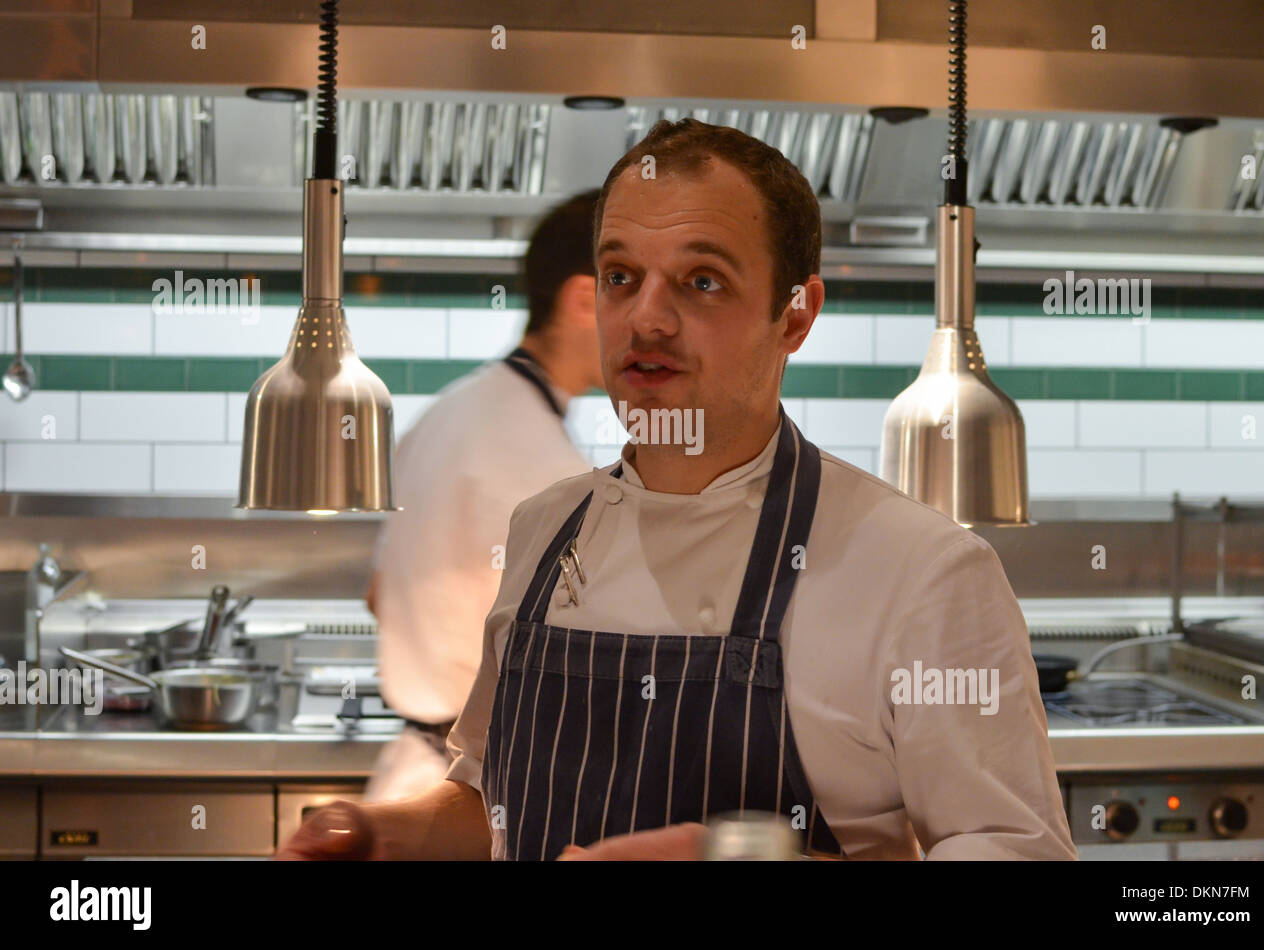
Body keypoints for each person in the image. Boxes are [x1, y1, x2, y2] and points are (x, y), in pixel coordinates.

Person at [283, 120, 1077, 859]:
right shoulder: (543, 528)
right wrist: (378, 833)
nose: (647, 319)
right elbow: (489, 802)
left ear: (795, 317)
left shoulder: (924, 573)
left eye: (702, 281)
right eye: (621, 276)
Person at [362, 191, 605, 803]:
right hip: (472, 796)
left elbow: (376, 595)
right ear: (583, 300)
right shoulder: (542, 464)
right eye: (627, 286)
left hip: (412, 776)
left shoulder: (450, 411)